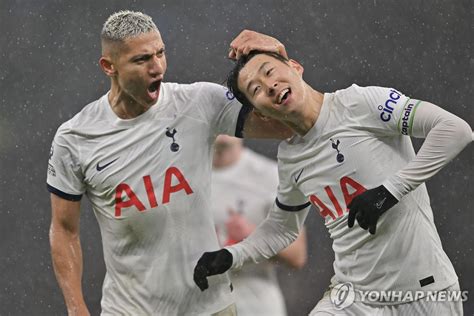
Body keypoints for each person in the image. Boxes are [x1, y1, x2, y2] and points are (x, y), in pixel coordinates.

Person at [193, 41, 472, 314]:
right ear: (260, 112)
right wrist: (232, 255)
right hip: (353, 298)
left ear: (295, 66)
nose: (270, 85)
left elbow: (454, 129)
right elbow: (283, 228)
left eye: (269, 71)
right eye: (256, 89)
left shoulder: (360, 103)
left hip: (424, 290)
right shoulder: (291, 158)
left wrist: (390, 191)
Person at [46, 13, 290, 316]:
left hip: (210, 306)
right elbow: (64, 228)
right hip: (130, 310)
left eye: (160, 53)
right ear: (109, 66)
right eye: (141, 59)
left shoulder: (199, 102)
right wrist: (75, 306)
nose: (157, 67)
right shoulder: (75, 138)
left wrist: (278, 55)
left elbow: (291, 122)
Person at [211, 135, 307, 316]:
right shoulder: (185, 176)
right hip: (198, 304)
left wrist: (251, 234)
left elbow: (297, 255)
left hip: (254, 305)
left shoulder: (269, 176)